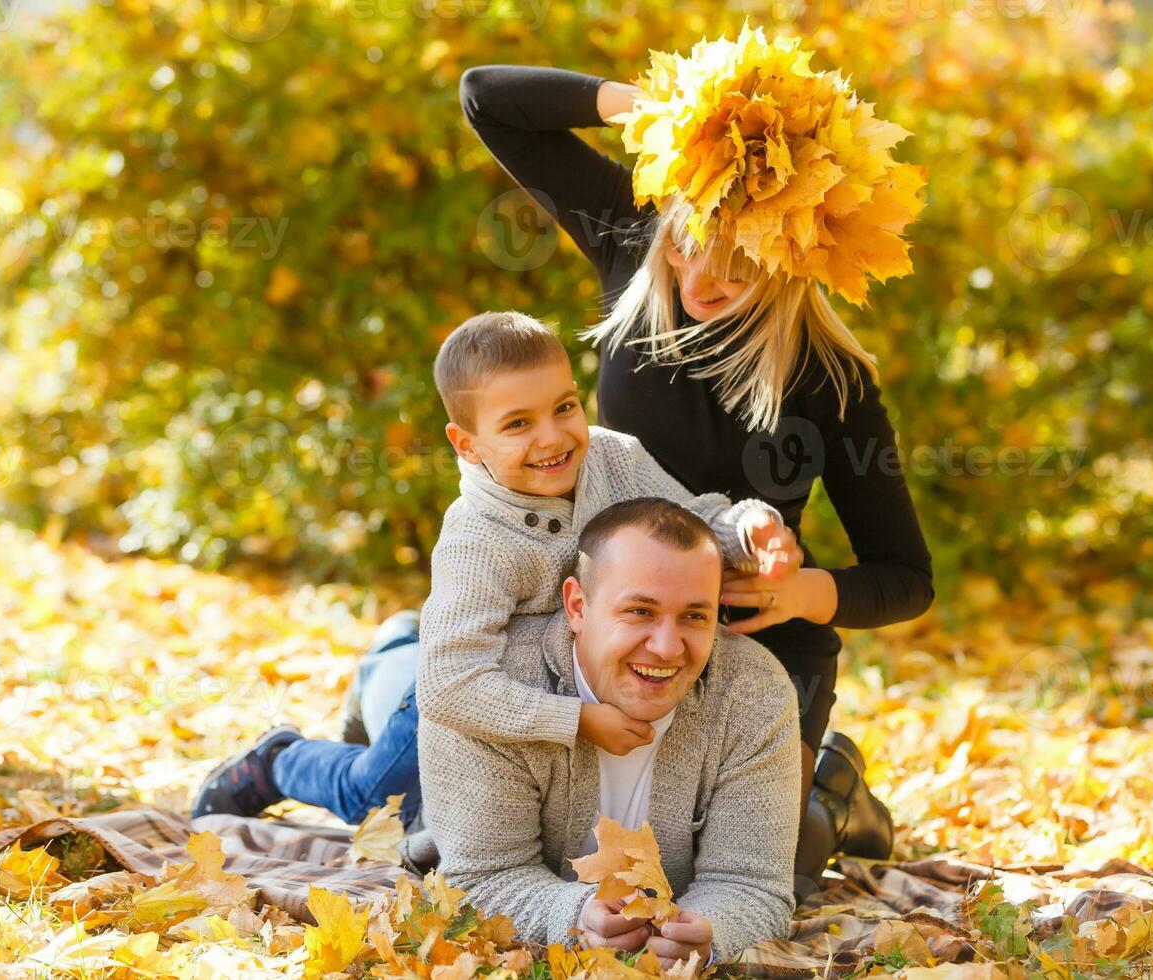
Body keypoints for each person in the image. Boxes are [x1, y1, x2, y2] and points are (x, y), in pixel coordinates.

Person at [459, 59, 936, 885]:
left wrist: (796, 594)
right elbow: (486, 100)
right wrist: (670, 117)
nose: (701, 280)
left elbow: (907, 577)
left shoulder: (833, 379)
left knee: (755, 869)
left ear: (791, 251)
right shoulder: (631, 241)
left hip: (760, 648)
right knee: (550, 849)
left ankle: (833, 784)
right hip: (609, 619)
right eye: (688, 243)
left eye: (738, 261)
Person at [191, 310, 795, 826]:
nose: (553, 436)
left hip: (534, 691)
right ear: (467, 444)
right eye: (517, 424)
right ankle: (280, 756)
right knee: (374, 797)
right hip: (470, 686)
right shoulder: (476, 540)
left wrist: (748, 530)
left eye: (564, 406)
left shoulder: (615, 458)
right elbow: (451, 684)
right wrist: (578, 719)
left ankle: (395, 648)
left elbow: (691, 518)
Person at [419, 497, 802, 967]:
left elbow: (753, 885)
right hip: (421, 736)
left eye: (694, 616)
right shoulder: (489, 691)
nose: (666, 648)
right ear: (577, 606)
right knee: (379, 740)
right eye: (640, 611)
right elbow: (483, 877)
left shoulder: (754, 692)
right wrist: (574, 916)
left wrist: (709, 931)